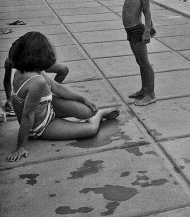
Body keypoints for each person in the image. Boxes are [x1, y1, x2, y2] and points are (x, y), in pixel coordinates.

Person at [7, 32, 119, 162]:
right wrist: (20, 146)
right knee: (91, 130)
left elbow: (56, 87)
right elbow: (27, 116)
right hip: (41, 125)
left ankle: (95, 113)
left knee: (88, 111)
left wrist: (82, 98)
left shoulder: (31, 68)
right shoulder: (36, 82)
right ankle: (100, 115)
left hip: (48, 108)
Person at [120, 0, 157, 106]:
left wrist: (147, 31)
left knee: (144, 63)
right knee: (139, 62)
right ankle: (144, 89)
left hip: (137, 30)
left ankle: (151, 94)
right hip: (130, 31)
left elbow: (147, 12)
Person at [3, 41, 70, 116]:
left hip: (38, 63)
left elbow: (63, 70)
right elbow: (7, 80)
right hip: (29, 73)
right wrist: (9, 98)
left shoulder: (38, 58)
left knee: (64, 70)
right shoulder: (10, 61)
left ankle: (49, 93)